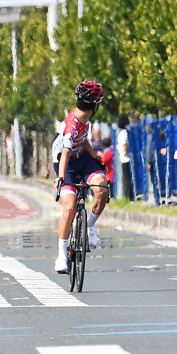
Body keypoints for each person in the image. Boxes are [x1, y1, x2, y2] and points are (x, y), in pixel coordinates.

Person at [53, 81, 111, 273]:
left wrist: (95, 157)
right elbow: (66, 153)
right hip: (66, 163)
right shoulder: (70, 126)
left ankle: (90, 226)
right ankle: (61, 256)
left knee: (102, 189)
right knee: (69, 207)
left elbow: (83, 139)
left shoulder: (83, 118)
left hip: (83, 158)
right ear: (96, 105)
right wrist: (61, 178)